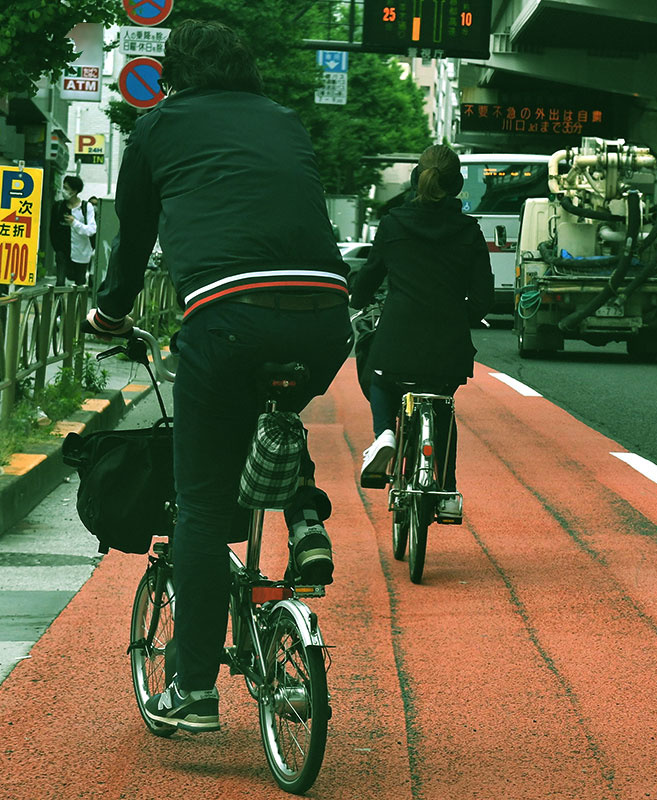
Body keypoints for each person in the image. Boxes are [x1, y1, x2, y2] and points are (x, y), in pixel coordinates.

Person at [82, 20, 353, 733]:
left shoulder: (158, 126)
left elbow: (133, 242)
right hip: (326, 315)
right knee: (277, 403)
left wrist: (108, 318)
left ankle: (193, 687)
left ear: (173, 74)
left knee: (200, 506)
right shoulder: (286, 121)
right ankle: (301, 514)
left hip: (230, 317)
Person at [350, 144, 493, 519]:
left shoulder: (394, 223)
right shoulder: (469, 230)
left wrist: (358, 294)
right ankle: (444, 489)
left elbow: (368, 279)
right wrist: (461, 314)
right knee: (442, 405)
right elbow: (482, 299)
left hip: (398, 339)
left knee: (378, 375)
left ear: (417, 180)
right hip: (448, 347)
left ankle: (384, 434)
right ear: (457, 184)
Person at [49, 175, 96, 286]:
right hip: (62, 252)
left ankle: (77, 303)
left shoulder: (86, 207)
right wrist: (57, 249)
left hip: (81, 252)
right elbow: (52, 229)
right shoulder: (58, 206)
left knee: (79, 284)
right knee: (60, 283)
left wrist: (75, 223)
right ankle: (59, 303)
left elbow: (92, 230)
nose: (63, 191)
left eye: (66, 188)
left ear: (74, 191)